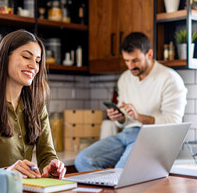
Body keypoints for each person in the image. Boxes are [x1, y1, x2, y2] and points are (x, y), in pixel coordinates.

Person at [0, 29, 66, 187]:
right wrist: (5, 173)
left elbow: (47, 156)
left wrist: (52, 166)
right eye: (26, 57)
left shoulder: (37, 106)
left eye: (37, 61)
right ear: (5, 58)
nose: (33, 66)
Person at [74, 32, 187, 172]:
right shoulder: (125, 78)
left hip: (152, 138)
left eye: (135, 60)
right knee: (83, 160)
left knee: (122, 171)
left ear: (150, 54)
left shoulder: (170, 79)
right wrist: (120, 117)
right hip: (127, 134)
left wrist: (139, 117)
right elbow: (125, 119)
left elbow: (174, 123)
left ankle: (115, 192)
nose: (130, 66)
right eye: (126, 61)